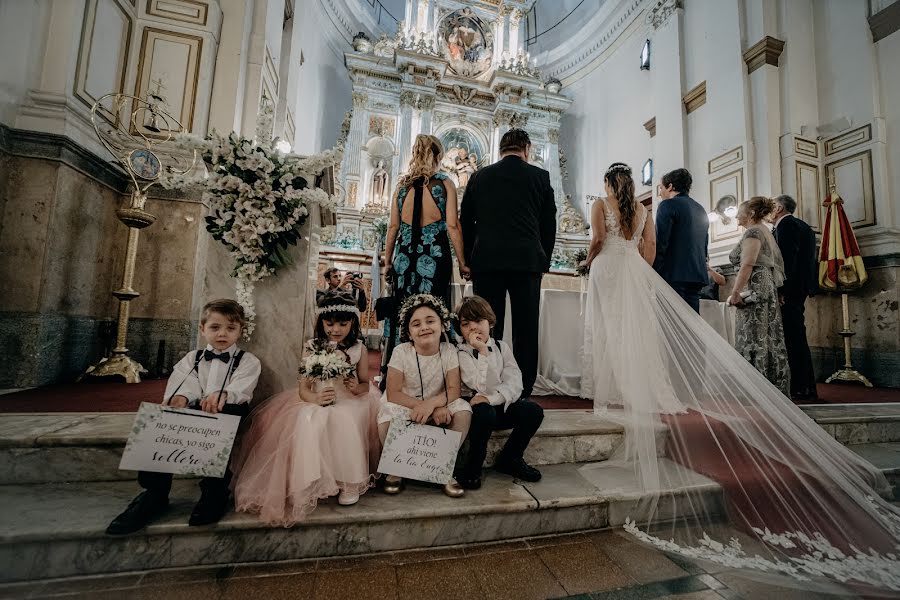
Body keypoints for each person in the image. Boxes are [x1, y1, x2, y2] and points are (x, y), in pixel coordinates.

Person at [581, 162, 900, 596]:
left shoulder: (608, 204)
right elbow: (651, 248)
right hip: (642, 272)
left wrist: (591, 260)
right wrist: (639, 271)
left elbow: (599, 240)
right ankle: (657, 386)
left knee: (612, 331)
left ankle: (617, 386)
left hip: (614, 270)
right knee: (638, 334)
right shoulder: (646, 210)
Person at [106, 300, 261, 534]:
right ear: (202, 329)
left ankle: (214, 491)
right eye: (215, 327)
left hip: (227, 412)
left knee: (225, 412)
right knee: (164, 416)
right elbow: (183, 383)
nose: (222, 334)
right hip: (196, 409)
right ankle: (155, 493)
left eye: (230, 328)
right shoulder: (192, 358)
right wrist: (181, 398)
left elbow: (243, 389)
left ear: (240, 330)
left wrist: (224, 394)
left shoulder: (247, 360)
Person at [230, 293, 379, 525]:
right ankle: (307, 481)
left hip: (349, 399)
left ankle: (349, 481)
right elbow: (303, 388)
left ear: (353, 323)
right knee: (310, 419)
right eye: (330, 324)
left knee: (345, 419)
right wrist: (316, 398)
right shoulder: (312, 347)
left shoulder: (358, 349)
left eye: (343, 324)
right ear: (320, 323)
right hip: (316, 397)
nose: (336, 329)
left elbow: (365, 385)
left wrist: (356, 386)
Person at [460, 129, 556, 399]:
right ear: (526, 148)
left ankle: (488, 385)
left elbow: (466, 221)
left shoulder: (479, 176)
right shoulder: (540, 177)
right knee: (526, 328)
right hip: (527, 261)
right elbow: (549, 223)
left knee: (487, 326)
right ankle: (522, 390)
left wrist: (467, 260)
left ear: (500, 149)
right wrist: (543, 259)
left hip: (487, 261)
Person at [381, 134, 469, 381]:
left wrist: (388, 262)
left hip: (404, 259)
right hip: (435, 256)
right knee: (433, 312)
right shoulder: (444, 184)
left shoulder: (402, 186)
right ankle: (433, 376)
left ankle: (399, 374)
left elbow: (392, 228)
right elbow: (453, 226)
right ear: (439, 156)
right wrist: (462, 262)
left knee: (404, 313)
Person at [378, 294, 472, 497]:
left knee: (464, 410)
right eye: (416, 324)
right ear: (409, 333)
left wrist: (434, 405)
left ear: (443, 325)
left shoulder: (449, 351)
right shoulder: (401, 351)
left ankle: (443, 469)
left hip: (439, 402)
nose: (424, 327)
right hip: (406, 402)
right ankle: (396, 469)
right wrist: (421, 406)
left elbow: (454, 389)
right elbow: (393, 393)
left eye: (430, 321)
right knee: (386, 414)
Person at [454, 296, 544, 489]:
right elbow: (477, 384)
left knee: (533, 411)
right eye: (465, 324)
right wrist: (482, 352)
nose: (473, 327)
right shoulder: (461, 352)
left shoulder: (502, 347)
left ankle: (510, 458)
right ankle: (473, 466)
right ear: (460, 329)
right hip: (477, 412)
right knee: (484, 411)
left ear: (491, 322)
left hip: (498, 404)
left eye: (478, 321)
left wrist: (492, 398)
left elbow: (514, 382)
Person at [728, 197, 791, 396]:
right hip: (764, 285)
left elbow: (747, 263)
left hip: (754, 286)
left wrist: (736, 292)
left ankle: (754, 389)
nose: (737, 215)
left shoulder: (754, 231)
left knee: (753, 334)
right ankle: (767, 384)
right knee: (765, 334)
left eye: (740, 211)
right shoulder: (765, 230)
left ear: (751, 214)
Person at [771, 194, 819, 401]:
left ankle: (801, 386)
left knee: (793, 337)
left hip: (790, 290)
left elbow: (787, 261)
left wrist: (781, 290)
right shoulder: (804, 226)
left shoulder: (786, 226)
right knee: (796, 335)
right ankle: (804, 385)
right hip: (800, 288)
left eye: (772, 205)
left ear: (780, 207)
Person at [652, 168, 709, 313]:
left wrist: (653, 274)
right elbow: (704, 246)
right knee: (691, 324)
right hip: (697, 275)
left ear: (670, 186)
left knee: (672, 327)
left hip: (673, 275)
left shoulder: (667, 205)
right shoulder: (700, 209)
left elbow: (661, 242)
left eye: (661, 188)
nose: (660, 193)